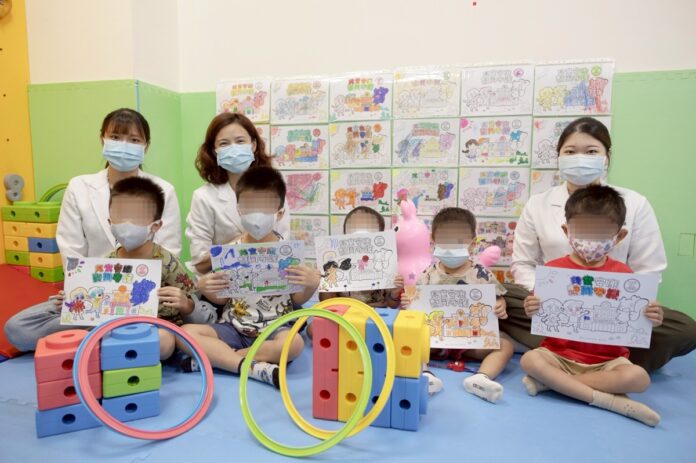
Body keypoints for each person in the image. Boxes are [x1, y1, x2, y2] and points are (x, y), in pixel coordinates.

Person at [504, 117, 696, 371]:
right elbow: (523, 263)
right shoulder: (538, 204)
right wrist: (543, 295)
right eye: (570, 151)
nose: (580, 158)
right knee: (500, 297)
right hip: (555, 307)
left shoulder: (634, 203)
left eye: (591, 151)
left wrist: (636, 306)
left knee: (684, 329)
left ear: (607, 157)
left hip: (610, 309)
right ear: (559, 157)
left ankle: (577, 360)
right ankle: (583, 356)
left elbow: (648, 270)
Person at [5, 109, 184, 351]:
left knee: (165, 336)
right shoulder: (79, 186)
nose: (124, 145)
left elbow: (169, 250)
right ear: (103, 139)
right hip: (92, 294)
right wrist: (78, 289)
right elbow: (71, 247)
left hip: (142, 297)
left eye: (134, 140)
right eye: (116, 137)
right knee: (17, 329)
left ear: (146, 146)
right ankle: (112, 334)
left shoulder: (163, 190)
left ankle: (99, 335)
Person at [520, 185, 663, 427]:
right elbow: (543, 312)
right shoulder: (553, 271)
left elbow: (635, 316)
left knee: (639, 378)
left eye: (601, 233)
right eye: (584, 231)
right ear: (567, 231)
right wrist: (531, 307)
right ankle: (611, 402)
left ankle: (553, 384)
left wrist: (652, 317)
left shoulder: (625, 276)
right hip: (559, 355)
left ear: (619, 236)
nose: (591, 241)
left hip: (608, 361)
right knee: (530, 360)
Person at [6, 177, 194, 358]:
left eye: (136, 217)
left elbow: (194, 304)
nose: (127, 224)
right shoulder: (107, 262)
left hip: (149, 327)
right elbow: (94, 300)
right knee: (16, 328)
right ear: (110, 223)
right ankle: (97, 342)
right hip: (101, 322)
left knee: (164, 342)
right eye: (120, 216)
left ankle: (93, 345)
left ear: (155, 226)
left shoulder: (167, 262)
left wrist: (186, 304)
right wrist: (71, 296)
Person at [178, 166, 319, 387]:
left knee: (294, 344)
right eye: (250, 206)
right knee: (184, 334)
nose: (256, 213)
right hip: (233, 327)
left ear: (279, 213)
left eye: (265, 206)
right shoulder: (229, 252)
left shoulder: (286, 251)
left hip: (275, 329)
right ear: (239, 210)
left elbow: (296, 299)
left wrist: (311, 285)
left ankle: (222, 359)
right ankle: (251, 366)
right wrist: (205, 288)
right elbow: (222, 300)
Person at [402, 207, 513, 403]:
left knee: (505, 345)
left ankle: (482, 378)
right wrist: (407, 303)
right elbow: (416, 306)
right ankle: (425, 374)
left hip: (472, 341)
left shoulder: (481, 273)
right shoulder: (428, 274)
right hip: (435, 342)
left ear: (472, 244)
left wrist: (500, 305)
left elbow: (498, 298)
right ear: (433, 241)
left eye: (459, 241)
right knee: (409, 341)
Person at [186, 113, 289, 276]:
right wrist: (245, 239)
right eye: (224, 143)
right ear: (214, 151)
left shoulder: (273, 189)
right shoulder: (203, 197)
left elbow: (284, 247)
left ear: (253, 145)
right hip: (224, 283)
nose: (233, 149)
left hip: (270, 280)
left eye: (240, 141)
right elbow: (200, 264)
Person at [319, 206, 403, 308]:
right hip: (345, 312)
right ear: (344, 234)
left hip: (376, 313)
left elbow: (392, 305)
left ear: (380, 235)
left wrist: (394, 293)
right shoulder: (336, 262)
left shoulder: (382, 260)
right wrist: (325, 282)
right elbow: (325, 302)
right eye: (354, 230)